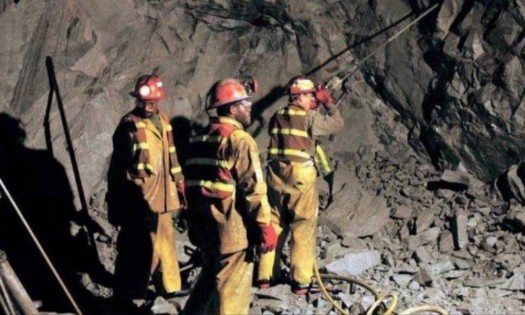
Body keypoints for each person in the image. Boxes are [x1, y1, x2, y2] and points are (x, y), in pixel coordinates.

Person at [182, 78, 277, 314]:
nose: (250, 108)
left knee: (208, 281)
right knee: (232, 293)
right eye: (245, 103)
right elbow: (253, 188)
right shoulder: (238, 139)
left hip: (206, 227)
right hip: (232, 230)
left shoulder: (200, 138)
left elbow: (191, 186)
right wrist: (265, 225)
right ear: (233, 108)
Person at [257, 77, 344, 294]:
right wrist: (328, 102)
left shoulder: (277, 116)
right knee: (303, 226)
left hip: (275, 176)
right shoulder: (309, 117)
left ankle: (266, 277)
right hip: (300, 176)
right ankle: (301, 282)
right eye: (311, 95)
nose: (313, 99)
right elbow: (337, 124)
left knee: (274, 224)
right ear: (300, 96)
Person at [106, 74, 186, 310]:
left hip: (163, 193)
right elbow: (118, 167)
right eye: (145, 102)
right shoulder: (128, 124)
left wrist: (179, 183)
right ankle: (130, 292)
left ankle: (169, 288)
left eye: (153, 102)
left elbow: (172, 156)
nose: (149, 106)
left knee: (166, 242)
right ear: (138, 101)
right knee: (138, 245)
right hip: (140, 196)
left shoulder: (163, 120)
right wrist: (117, 200)